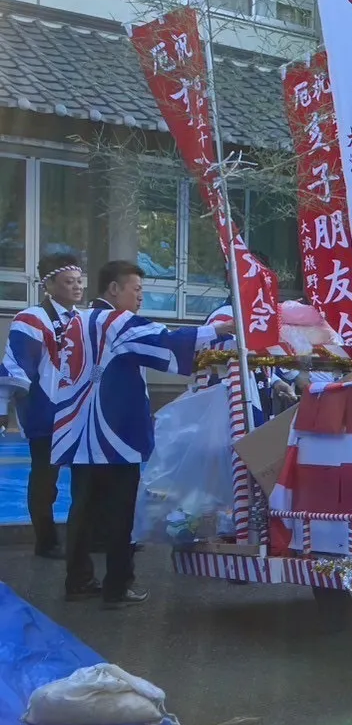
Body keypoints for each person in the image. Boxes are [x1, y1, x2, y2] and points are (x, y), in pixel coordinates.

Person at [52, 261, 228, 608]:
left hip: (79, 433)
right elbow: (165, 343)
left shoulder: (77, 321)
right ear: (113, 289)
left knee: (82, 511)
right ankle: (117, 585)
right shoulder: (116, 322)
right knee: (120, 513)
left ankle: (78, 580)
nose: (140, 299)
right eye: (136, 290)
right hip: (113, 434)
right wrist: (220, 329)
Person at [1, 250, 87, 561]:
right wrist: (4, 408)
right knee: (45, 478)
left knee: (87, 476)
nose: (76, 287)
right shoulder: (30, 319)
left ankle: (87, 535)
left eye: (79, 281)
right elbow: (18, 367)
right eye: (68, 282)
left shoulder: (83, 318)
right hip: (44, 408)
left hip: (77, 408)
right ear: (47, 285)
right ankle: (46, 540)